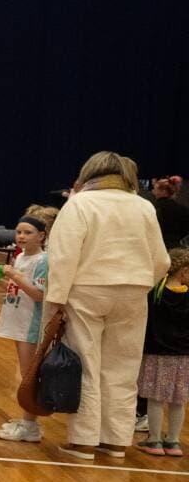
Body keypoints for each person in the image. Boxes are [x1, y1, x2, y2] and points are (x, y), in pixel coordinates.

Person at [45, 151, 170, 460]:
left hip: (86, 290)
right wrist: (140, 284)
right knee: (123, 368)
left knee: (85, 364)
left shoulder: (80, 204)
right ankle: (116, 440)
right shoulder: (144, 206)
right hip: (133, 292)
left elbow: (63, 256)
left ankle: (83, 440)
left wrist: (56, 300)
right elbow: (162, 260)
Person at [0, 207, 56, 443]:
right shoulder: (19, 256)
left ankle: (31, 424)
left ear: (41, 235)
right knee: (25, 372)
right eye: (18, 232)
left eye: (28, 232)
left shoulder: (43, 260)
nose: (21, 236)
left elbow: (40, 295)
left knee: (29, 375)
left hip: (32, 324)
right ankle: (27, 419)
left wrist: (16, 277)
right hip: (17, 320)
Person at [137, 248, 189, 457]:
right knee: (178, 400)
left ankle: (155, 439)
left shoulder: (154, 293)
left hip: (156, 354)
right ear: (184, 271)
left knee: (155, 399)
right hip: (184, 356)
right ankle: (174, 441)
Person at [151, 177, 189, 250]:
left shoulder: (153, 208)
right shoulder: (182, 208)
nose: (153, 192)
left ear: (164, 191)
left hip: (158, 246)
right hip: (176, 246)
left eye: (155, 189)